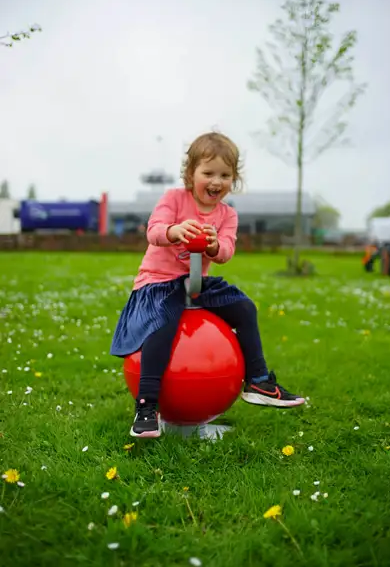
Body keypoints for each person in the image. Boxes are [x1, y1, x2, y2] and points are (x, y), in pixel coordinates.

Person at [111, 132, 305, 438]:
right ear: (191, 175)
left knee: (244, 307)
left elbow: (227, 252)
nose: (216, 181)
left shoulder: (227, 215)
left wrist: (214, 246)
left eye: (225, 175)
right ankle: (147, 407)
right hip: (158, 282)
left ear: (234, 180)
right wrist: (175, 231)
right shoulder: (174, 199)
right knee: (162, 324)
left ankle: (257, 381)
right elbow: (154, 230)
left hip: (196, 281)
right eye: (208, 173)